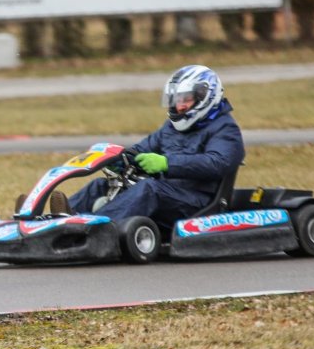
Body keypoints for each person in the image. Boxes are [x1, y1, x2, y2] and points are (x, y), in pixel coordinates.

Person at [52, 65, 245, 227]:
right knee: (101, 186)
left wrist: (167, 164)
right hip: (168, 193)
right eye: (178, 100)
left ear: (205, 96)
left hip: (198, 203)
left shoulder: (225, 129)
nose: (180, 107)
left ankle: (95, 228)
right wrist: (118, 159)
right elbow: (141, 151)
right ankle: (57, 222)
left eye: (186, 99)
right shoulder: (171, 128)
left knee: (149, 188)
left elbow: (217, 163)